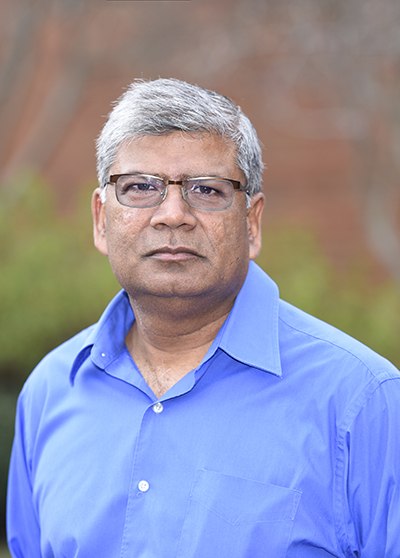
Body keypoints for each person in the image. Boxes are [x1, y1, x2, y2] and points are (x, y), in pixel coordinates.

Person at [7, 78, 400, 558]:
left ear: (252, 223)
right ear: (100, 219)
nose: (173, 214)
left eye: (207, 190)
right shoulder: (50, 392)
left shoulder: (365, 404)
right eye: (140, 187)